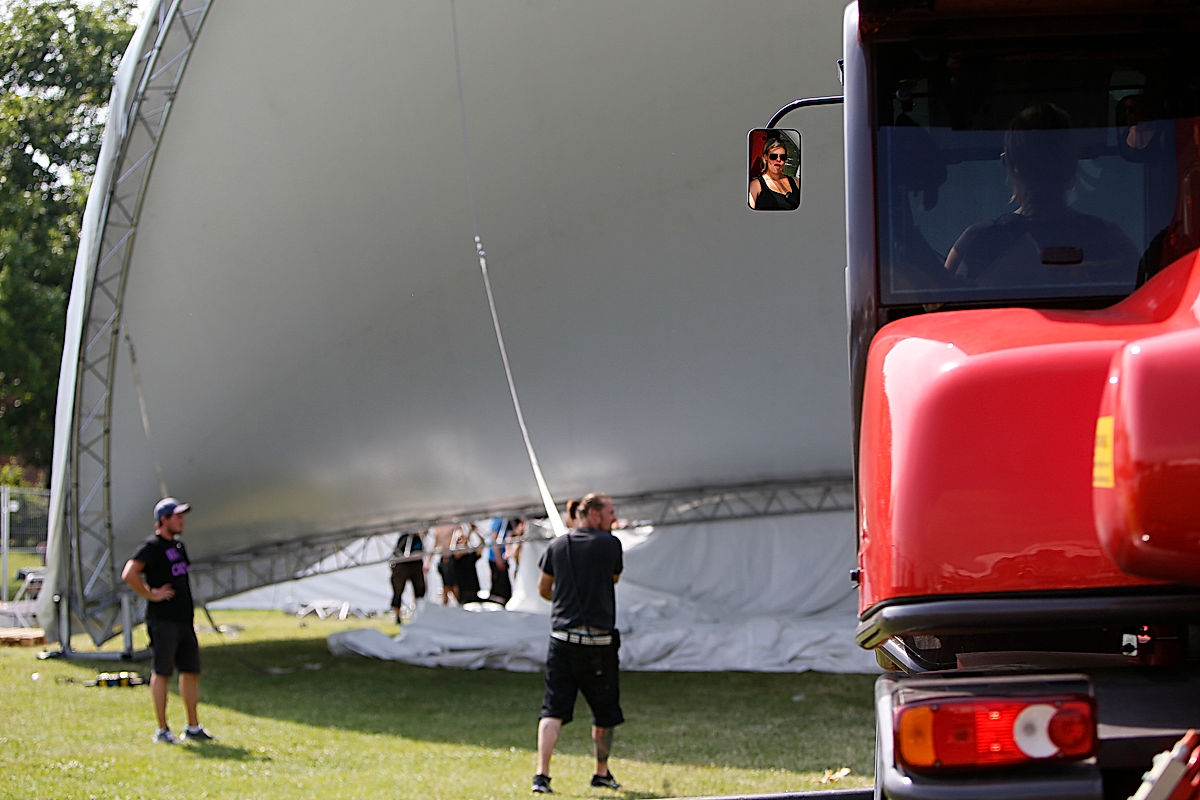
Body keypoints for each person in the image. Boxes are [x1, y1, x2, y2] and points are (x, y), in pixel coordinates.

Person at [944, 103, 1139, 288]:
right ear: (1071, 163)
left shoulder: (977, 241)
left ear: (1012, 165)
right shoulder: (1110, 240)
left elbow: (942, 300)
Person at [531, 493, 624, 794]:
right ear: (595, 514)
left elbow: (543, 589)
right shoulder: (611, 544)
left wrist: (564, 594)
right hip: (599, 643)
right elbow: (614, 578)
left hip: (563, 641)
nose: (614, 518)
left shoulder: (557, 546)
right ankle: (601, 772)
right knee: (604, 712)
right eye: (610, 513)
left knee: (552, 710)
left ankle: (542, 775)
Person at [120, 497, 214, 744]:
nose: (182, 521)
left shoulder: (179, 546)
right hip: (163, 622)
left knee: (190, 671)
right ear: (164, 520)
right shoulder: (151, 546)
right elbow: (129, 573)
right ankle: (162, 730)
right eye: (178, 517)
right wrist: (151, 594)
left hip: (184, 621)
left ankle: (193, 727)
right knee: (162, 673)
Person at [748, 136, 800, 210]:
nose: (778, 159)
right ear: (765, 157)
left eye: (782, 157)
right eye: (773, 156)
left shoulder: (796, 182)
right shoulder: (756, 185)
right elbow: (749, 213)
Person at [389, 530, 427, 623]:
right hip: (402, 564)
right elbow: (396, 554)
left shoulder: (418, 539)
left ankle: (419, 613)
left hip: (416, 565)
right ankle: (397, 615)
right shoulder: (403, 538)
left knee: (420, 589)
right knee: (398, 591)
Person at [432, 523, 459, 605]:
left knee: (452, 585)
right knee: (447, 585)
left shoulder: (452, 526)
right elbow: (435, 544)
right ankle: (447, 604)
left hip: (449, 557)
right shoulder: (438, 529)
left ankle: (457, 603)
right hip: (445, 559)